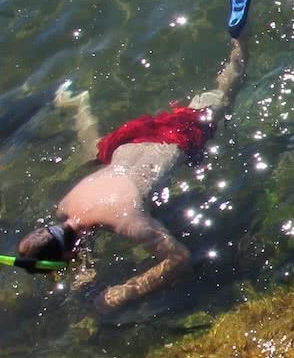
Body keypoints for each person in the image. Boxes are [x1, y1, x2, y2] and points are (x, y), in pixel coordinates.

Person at [10, 39, 247, 312]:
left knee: (224, 94)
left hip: (179, 139)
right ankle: (78, 106)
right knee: (95, 153)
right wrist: (83, 266)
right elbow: (82, 236)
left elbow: (180, 258)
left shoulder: (127, 222)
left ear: (65, 255)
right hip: (130, 143)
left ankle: (240, 43)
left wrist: (126, 292)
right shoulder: (64, 206)